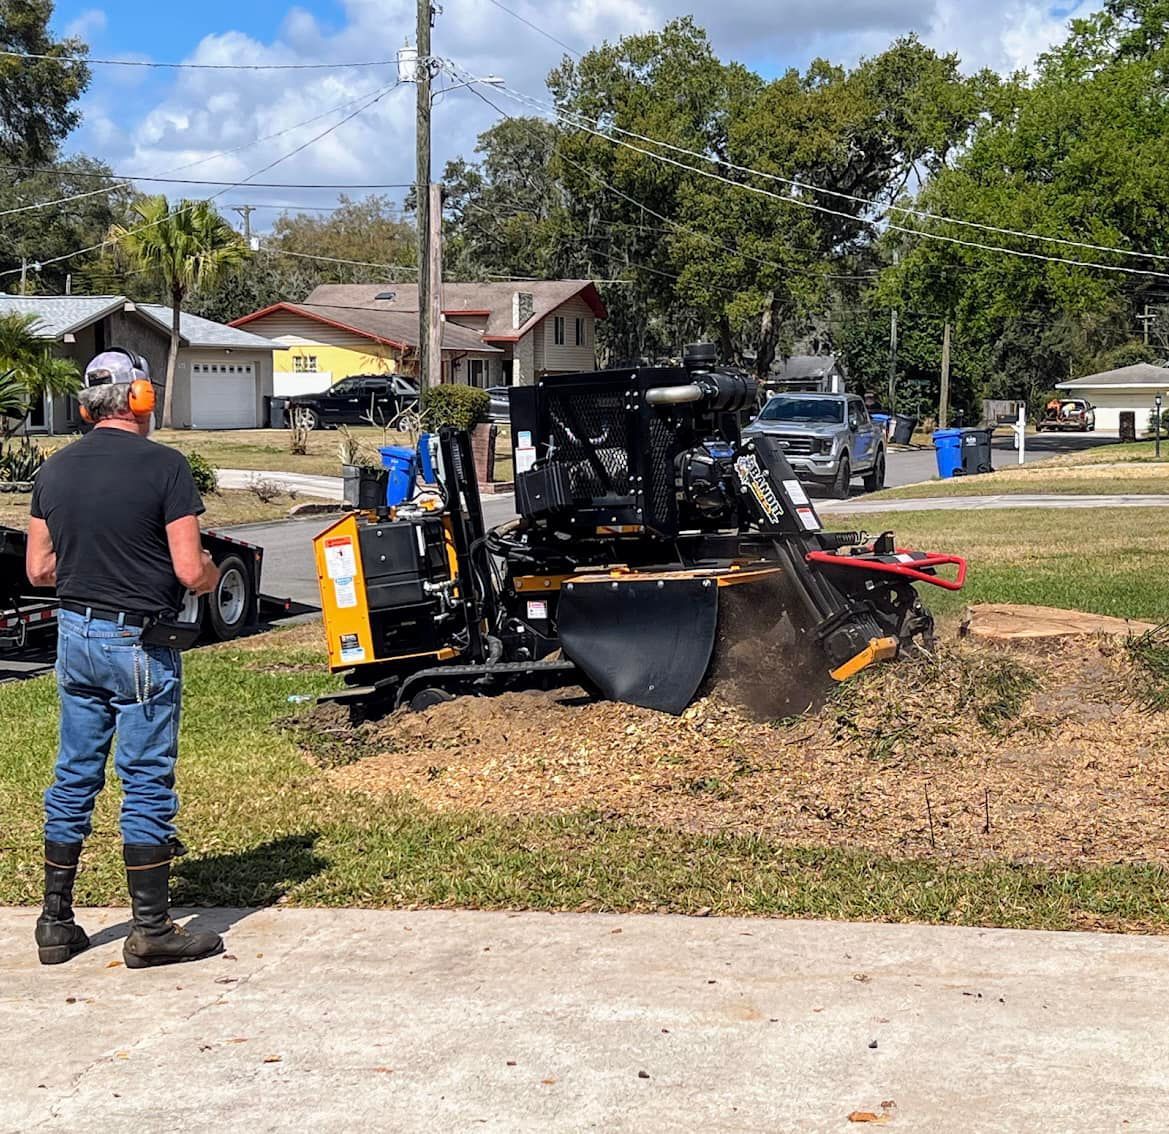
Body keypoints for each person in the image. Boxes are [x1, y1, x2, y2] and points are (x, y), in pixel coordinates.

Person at [26, 349, 223, 968]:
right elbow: (190, 570)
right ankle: (152, 929)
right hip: (136, 643)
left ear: (87, 406)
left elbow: (38, 569)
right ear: (141, 399)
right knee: (144, 776)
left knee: (75, 772)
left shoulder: (54, 470)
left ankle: (56, 922)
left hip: (74, 637)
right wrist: (211, 574)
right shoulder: (165, 467)